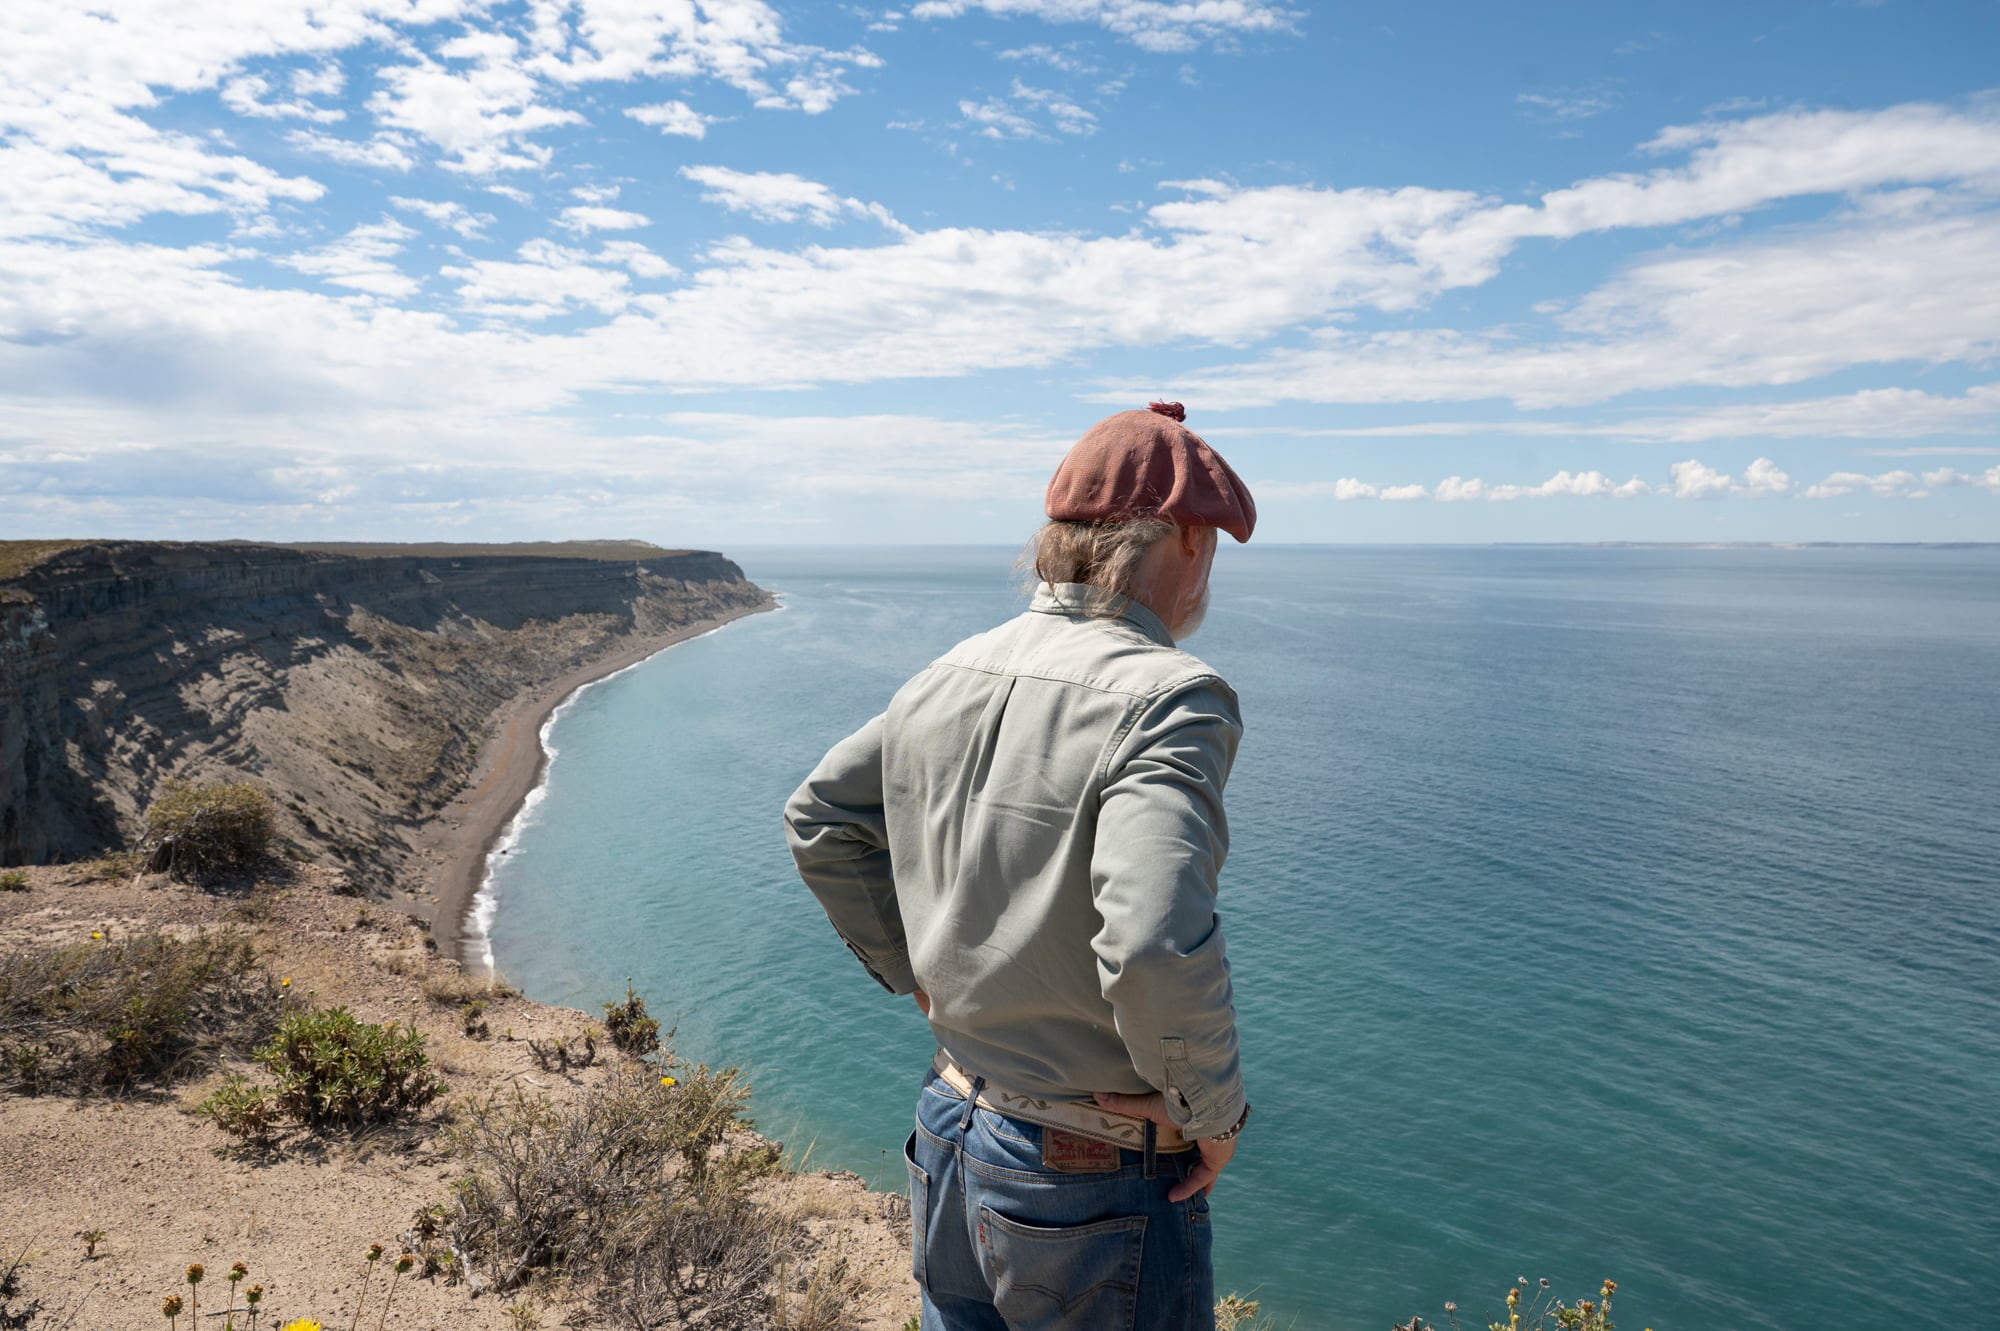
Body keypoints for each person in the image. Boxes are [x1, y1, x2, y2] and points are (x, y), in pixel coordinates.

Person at [784, 402, 1256, 1331]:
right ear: (1188, 541)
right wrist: (1213, 1112)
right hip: (1091, 1173)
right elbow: (1152, 941)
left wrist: (917, 974)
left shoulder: (951, 670)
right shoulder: (1172, 697)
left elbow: (821, 818)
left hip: (951, 1124)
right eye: (1210, 545)